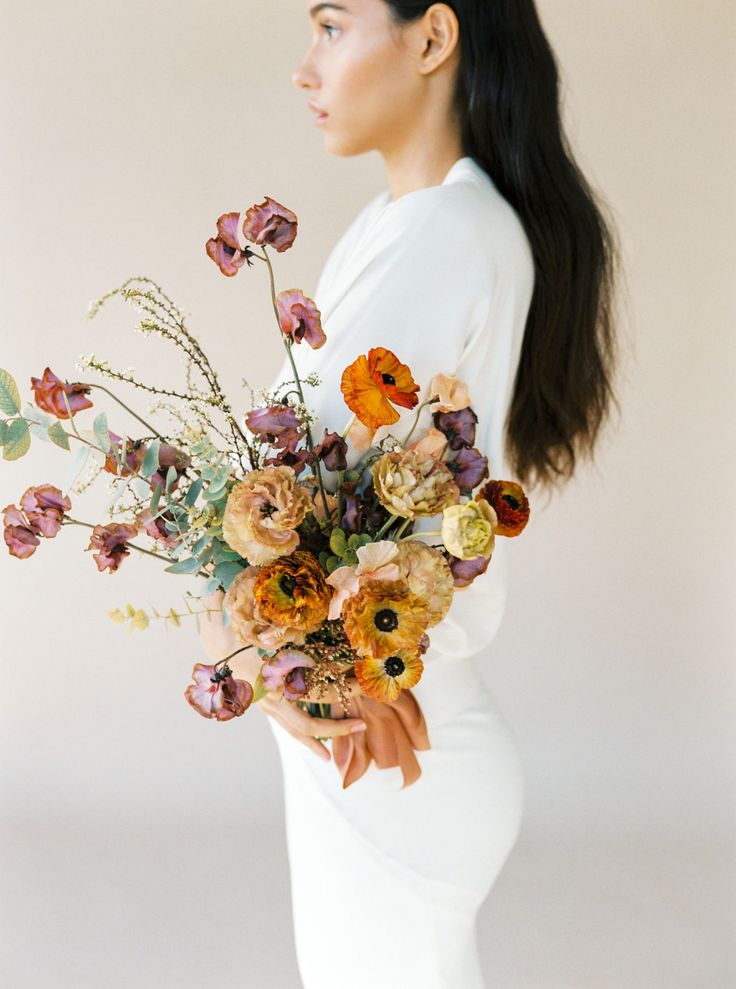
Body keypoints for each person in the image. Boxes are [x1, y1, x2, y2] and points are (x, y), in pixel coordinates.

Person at [199, 2, 619, 986]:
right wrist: (254, 642)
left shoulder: (442, 232)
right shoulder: (415, 220)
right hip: (391, 733)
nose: (305, 69)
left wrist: (238, 639)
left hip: (392, 745)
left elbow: (286, 498)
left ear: (433, 39)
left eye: (333, 27)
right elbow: (305, 499)